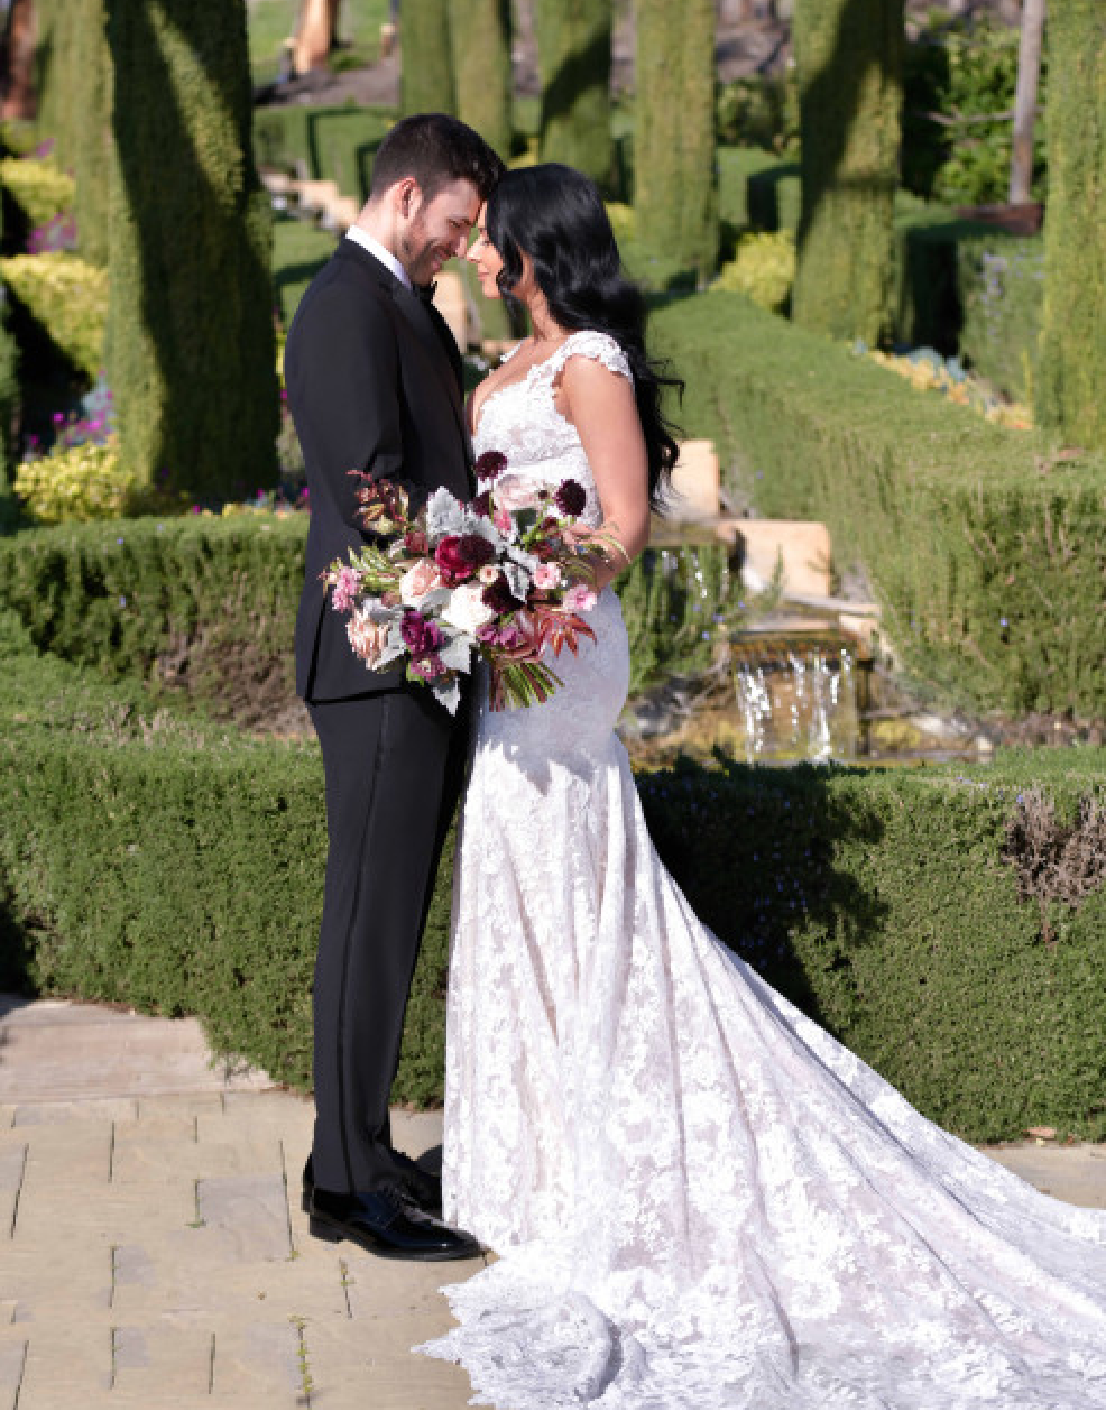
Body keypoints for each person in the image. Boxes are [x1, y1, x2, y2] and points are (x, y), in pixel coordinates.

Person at [420, 163, 1106, 1406]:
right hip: (500, 642)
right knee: (512, 855)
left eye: (488, 242)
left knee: (559, 842)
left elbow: (622, 521)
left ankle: (589, 1152)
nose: (474, 254)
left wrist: (538, 603)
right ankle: (528, 1164)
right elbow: (487, 507)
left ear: (533, 247)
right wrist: (459, 585)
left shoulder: (588, 361)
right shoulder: (500, 374)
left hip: (561, 651)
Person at [284, 113, 501, 1263]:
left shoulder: (401, 306)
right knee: (366, 918)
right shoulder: (340, 307)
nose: (458, 251)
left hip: (423, 653)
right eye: (455, 227)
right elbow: (366, 486)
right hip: (376, 661)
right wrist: (475, 575)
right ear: (406, 195)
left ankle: (367, 1149)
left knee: (390, 919)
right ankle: (340, 1181)